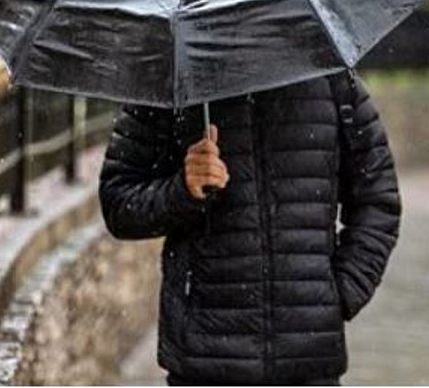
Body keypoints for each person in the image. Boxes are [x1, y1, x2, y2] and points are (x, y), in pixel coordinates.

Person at [99, 70, 401, 386]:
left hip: (308, 361)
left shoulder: (330, 76)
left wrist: (340, 293)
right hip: (205, 357)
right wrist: (183, 190)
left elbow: (378, 199)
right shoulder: (172, 79)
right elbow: (118, 202)